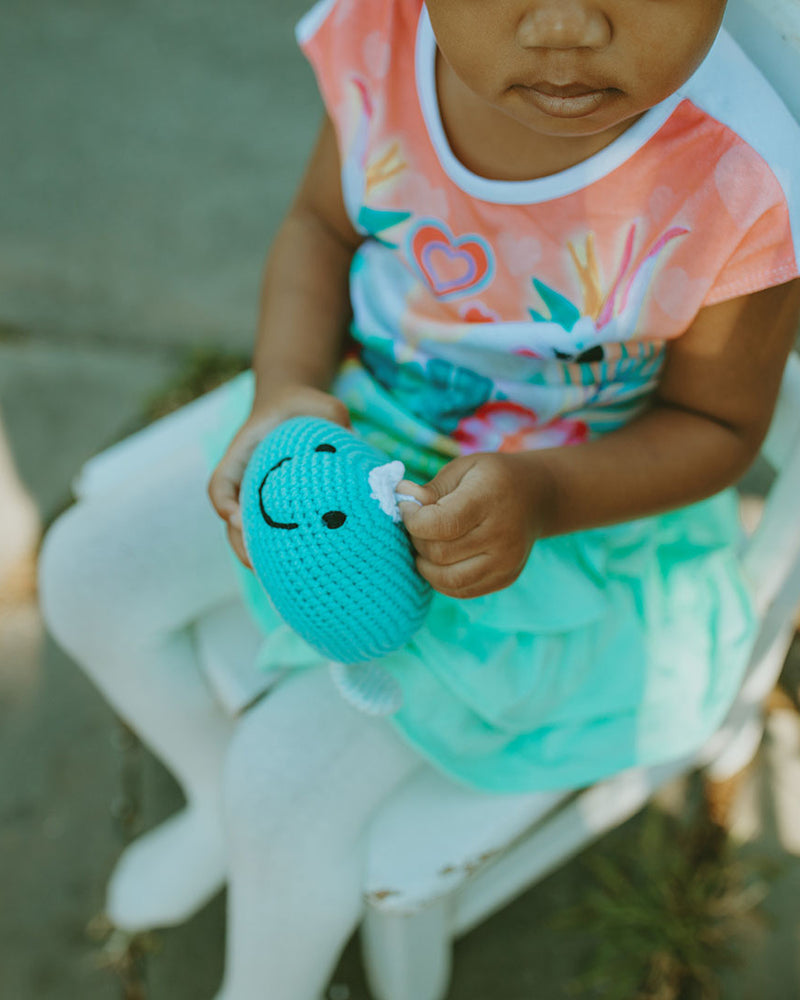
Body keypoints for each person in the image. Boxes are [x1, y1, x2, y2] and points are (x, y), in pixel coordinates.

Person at [39, 0, 800, 997]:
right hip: (358, 424)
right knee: (87, 574)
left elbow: (715, 429)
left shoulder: (739, 182)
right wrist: (283, 390)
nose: (566, 25)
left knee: (285, 779)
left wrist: (539, 494)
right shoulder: (382, 44)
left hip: (567, 517)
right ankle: (211, 801)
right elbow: (320, 225)